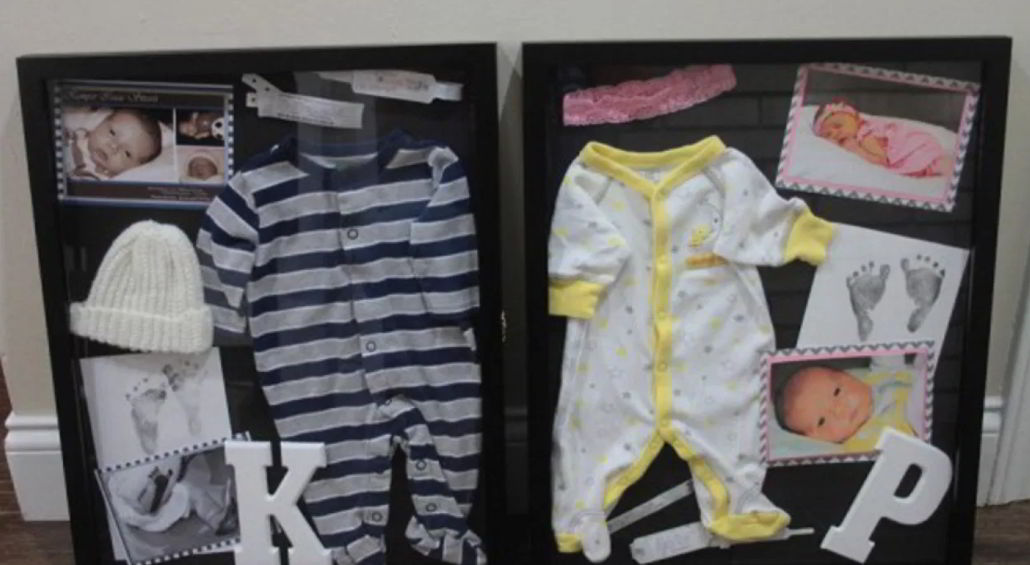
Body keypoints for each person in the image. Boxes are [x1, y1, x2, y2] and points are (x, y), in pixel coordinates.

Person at [774, 363, 915, 451]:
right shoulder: (861, 447)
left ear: (848, 376)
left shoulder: (880, 375)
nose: (839, 410)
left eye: (837, 392)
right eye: (822, 421)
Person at [812, 99, 954, 178]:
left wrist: (855, 150)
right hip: (925, 145)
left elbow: (880, 162)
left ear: (855, 118)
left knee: (937, 166)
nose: (835, 134)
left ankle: (935, 164)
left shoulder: (866, 135)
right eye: (828, 135)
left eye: (838, 125)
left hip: (918, 149)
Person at [64, 108, 163, 179]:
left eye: (127, 153)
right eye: (112, 133)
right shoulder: (71, 135)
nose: (113, 146)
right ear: (101, 123)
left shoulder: (100, 182)